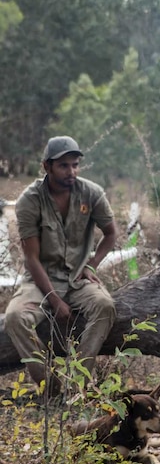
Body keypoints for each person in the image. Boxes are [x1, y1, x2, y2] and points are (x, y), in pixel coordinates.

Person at [5, 136, 118, 395]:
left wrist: (91, 266)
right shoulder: (30, 200)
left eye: (75, 165)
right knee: (14, 317)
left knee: (105, 306)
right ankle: (52, 388)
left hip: (78, 278)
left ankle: (78, 384)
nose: (71, 171)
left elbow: (111, 233)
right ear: (47, 166)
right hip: (40, 280)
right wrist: (55, 300)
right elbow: (31, 258)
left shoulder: (91, 192)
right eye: (64, 166)